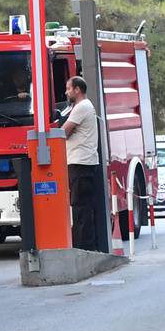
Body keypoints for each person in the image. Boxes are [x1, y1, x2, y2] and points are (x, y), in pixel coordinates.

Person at [61, 75, 103, 251]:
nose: (66, 92)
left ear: (77, 89)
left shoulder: (81, 107)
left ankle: (83, 246)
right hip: (83, 162)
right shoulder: (83, 107)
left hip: (80, 162)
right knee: (82, 206)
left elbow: (64, 131)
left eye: (69, 88)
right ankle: (85, 244)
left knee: (80, 206)